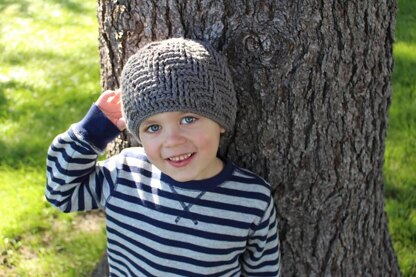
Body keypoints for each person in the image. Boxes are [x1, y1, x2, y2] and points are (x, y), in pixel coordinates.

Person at [46, 37, 280, 276]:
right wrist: (93, 132)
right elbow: (61, 193)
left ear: (220, 121)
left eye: (188, 119)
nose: (173, 141)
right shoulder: (125, 175)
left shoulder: (252, 199)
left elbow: (263, 271)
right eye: (153, 128)